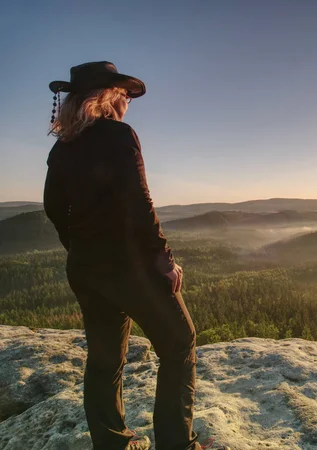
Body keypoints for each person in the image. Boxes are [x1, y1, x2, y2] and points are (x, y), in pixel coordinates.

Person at [44, 62, 227, 450]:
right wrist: (164, 258)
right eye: (124, 94)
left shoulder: (61, 149)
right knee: (180, 342)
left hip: (86, 268)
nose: (128, 101)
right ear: (107, 96)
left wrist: (80, 249)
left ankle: (112, 443)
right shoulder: (118, 135)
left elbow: (54, 209)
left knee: (106, 359)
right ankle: (178, 444)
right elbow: (140, 202)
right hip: (130, 266)